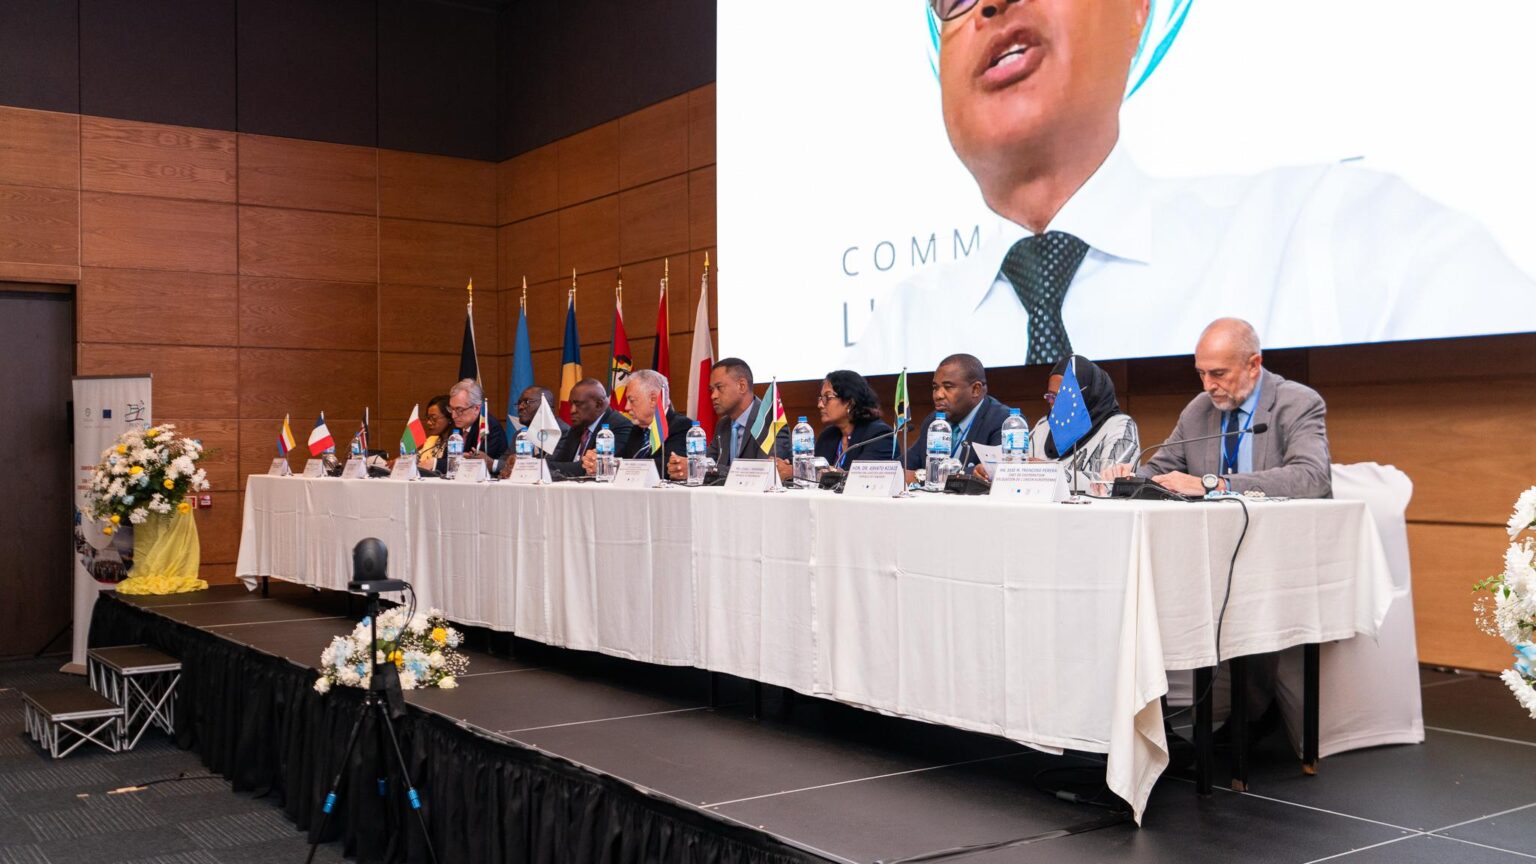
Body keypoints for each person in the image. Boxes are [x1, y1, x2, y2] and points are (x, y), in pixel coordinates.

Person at [845, 0, 1536, 374]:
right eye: (955, 0)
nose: (991, 3)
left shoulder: (1346, 237)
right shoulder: (901, 330)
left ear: (1139, 9)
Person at [1109, 317, 1331, 499]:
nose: (1208, 386)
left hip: (1281, 530)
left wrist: (1217, 485)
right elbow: (1159, 470)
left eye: (1218, 374)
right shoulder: (1199, 409)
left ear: (1253, 365)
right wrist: (1129, 478)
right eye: (1201, 373)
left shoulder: (1297, 402)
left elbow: (1313, 477)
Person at [668, 358, 793, 481]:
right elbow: (709, 462)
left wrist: (701, 469)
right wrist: (685, 467)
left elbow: (762, 472)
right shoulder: (723, 424)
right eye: (712, 390)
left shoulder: (770, 422)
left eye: (719, 387)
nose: (713, 396)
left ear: (742, 386)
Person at [1029, 355, 1138, 491]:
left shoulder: (1120, 426)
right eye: (1052, 397)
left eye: (1064, 397)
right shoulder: (1044, 425)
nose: (1056, 406)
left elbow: (1113, 484)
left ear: (1089, 394)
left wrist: (1049, 473)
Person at [900, 353, 1012, 482]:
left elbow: (996, 472)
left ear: (975, 389)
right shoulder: (934, 421)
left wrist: (924, 476)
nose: (938, 395)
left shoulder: (1004, 421)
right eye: (935, 387)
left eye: (948, 387)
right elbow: (903, 467)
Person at [584, 369, 690, 476]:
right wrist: (599, 462)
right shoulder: (637, 429)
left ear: (653, 399)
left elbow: (665, 467)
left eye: (631, 400)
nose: (626, 407)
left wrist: (612, 466)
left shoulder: (682, 426)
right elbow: (623, 459)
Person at [550, 379, 634, 478]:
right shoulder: (578, 427)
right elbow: (561, 461)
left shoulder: (619, 426)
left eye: (578, 404)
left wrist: (543, 467)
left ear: (598, 405)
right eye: (571, 404)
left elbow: (590, 467)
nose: (572, 410)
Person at [815, 370, 897, 467]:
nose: (820, 405)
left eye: (828, 397)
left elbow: (863, 474)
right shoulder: (827, 436)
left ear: (849, 402)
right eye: (821, 398)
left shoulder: (879, 436)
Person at [441, 379, 507, 474]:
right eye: (451, 409)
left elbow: (476, 465)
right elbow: (447, 459)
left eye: (459, 410)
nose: (453, 416)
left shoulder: (489, 427)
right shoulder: (456, 427)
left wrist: (435, 463)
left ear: (476, 408)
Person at [416, 395, 452, 471]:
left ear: (449, 417)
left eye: (434, 418)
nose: (429, 422)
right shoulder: (431, 440)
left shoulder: (456, 441)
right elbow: (416, 458)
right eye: (428, 418)